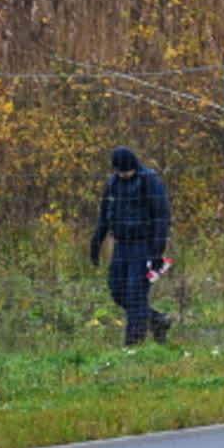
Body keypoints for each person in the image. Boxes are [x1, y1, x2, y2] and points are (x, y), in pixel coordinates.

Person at [88, 147, 173, 347]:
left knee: (135, 295)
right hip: (121, 245)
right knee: (117, 291)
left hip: (143, 245)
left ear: (134, 166)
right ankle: (157, 320)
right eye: (119, 171)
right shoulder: (113, 183)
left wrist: (157, 252)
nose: (123, 175)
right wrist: (96, 243)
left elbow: (162, 217)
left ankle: (133, 346)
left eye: (126, 171)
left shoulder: (150, 180)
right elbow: (104, 215)